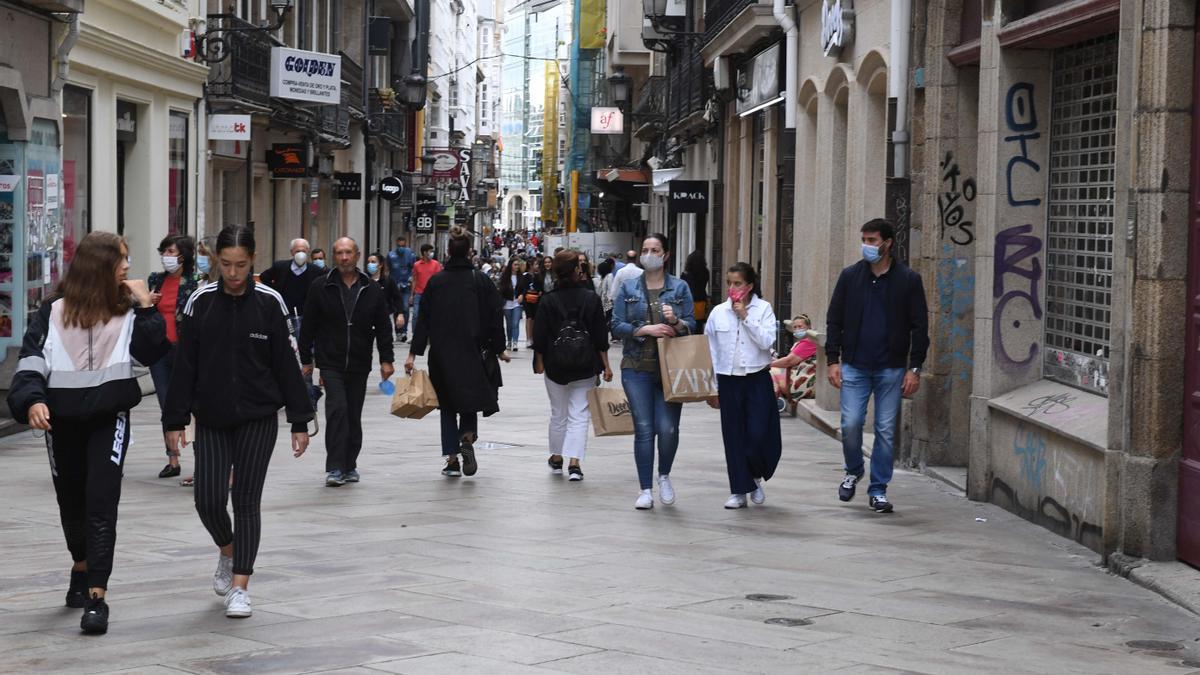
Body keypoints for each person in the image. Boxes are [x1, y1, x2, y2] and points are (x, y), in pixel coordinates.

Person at [7, 231, 169, 634]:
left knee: (101, 501)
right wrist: (32, 401)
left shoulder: (128, 310)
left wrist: (147, 305)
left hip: (108, 418)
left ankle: (97, 595)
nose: (128, 267)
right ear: (101, 266)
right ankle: (80, 566)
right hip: (61, 423)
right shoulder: (52, 312)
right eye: (122, 260)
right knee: (71, 503)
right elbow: (29, 364)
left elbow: (153, 351)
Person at [164, 225, 312, 620]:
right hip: (210, 416)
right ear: (217, 261)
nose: (233, 273)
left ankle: (241, 586)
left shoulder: (270, 302)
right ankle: (227, 550)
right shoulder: (200, 302)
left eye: (240, 265)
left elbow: (287, 364)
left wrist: (300, 420)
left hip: (258, 416)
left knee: (246, 500)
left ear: (253, 260)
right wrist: (174, 418)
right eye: (226, 265)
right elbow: (185, 367)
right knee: (208, 499)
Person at [826, 218, 929, 514]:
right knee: (851, 423)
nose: (867, 246)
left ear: (887, 243)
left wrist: (915, 368)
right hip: (855, 365)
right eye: (865, 240)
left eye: (872, 240)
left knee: (884, 429)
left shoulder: (908, 280)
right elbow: (834, 319)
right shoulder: (850, 277)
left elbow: (920, 326)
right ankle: (854, 469)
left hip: (891, 368)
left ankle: (878, 489)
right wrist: (833, 360)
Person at [406, 226, 510, 478]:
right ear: (470, 253)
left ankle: (452, 459)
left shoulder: (437, 282)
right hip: (473, 352)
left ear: (449, 251)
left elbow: (424, 320)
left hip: (442, 353)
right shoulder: (481, 281)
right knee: (469, 402)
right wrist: (499, 348)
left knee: (447, 405)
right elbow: (495, 316)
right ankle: (467, 437)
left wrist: (413, 353)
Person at [299, 237, 396, 487]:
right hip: (330, 361)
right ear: (334, 256)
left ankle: (350, 463)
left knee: (353, 414)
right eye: (339, 253)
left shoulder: (370, 288)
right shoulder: (321, 286)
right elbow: (308, 324)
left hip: (359, 361)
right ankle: (334, 466)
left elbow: (384, 326)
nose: (344, 258)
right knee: (337, 410)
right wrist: (306, 359)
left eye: (348, 253)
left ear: (357, 255)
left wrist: (387, 359)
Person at [612, 233, 695, 510]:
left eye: (655, 249)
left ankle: (664, 475)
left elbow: (692, 325)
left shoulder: (680, 288)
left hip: (672, 368)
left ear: (665, 255)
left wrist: (676, 321)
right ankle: (645, 488)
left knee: (668, 428)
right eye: (646, 249)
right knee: (644, 429)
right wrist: (642, 329)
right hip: (636, 367)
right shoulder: (629, 287)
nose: (649, 254)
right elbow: (615, 325)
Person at [705, 263, 781, 509]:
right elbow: (710, 349)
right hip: (728, 379)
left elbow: (767, 341)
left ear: (749, 286)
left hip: (757, 377)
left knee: (759, 433)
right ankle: (739, 489)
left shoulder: (764, 309)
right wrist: (712, 386)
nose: (732, 288)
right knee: (733, 435)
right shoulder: (718, 312)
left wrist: (746, 317)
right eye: (729, 283)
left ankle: (755, 475)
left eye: (737, 283)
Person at [533, 250, 612, 481]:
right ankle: (574, 464)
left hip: (555, 365)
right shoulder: (591, 298)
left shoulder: (547, 300)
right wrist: (606, 365)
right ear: (577, 270)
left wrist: (539, 362)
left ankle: (556, 457)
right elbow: (600, 336)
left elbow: (539, 336)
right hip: (586, 364)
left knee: (558, 414)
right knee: (579, 414)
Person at [148, 234, 201, 480]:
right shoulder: (156, 281)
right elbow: (142, 314)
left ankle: (203, 459)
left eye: (172, 251)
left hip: (186, 350)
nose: (167, 256)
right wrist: (147, 303)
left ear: (184, 255)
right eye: (165, 251)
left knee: (193, 404)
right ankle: (173, 459)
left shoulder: (195, 282)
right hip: (159, 350)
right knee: (166, 404)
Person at [258, 238, 322, 326]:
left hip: (306, 316)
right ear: (292, 252)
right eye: (297, 251)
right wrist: (274, 290)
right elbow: (264, 277)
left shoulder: (316, 271)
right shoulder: (280, 267)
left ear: (307, 252)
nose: (300, 254)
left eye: (303, 251)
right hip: (283, 314)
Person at [771, 314, 819, 414]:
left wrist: (767, 364)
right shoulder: (804, 342)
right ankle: (777, 400)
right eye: (795, 327)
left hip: (802, 384)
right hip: (800, 380)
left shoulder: (808, 343)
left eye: (800, 327)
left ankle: (774, 402)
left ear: (809, 327)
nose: (797, 329)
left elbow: (788, 361)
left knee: (770, 371)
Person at [368, 251, 406, 340]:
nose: (370, 264)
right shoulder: (364, 281)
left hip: (384, 317)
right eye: (368, 262)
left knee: (385, 344)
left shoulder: (388, 281)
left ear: (380, 265)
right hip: (367, 319)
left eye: (373, 262)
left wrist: (400, 314)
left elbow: (397, 298)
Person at [387, 236, 416, 342]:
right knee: (396, 309)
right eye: (399, 246)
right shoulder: (391, 255)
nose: (401, 248)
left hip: (406, 286)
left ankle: (404, 331)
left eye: (403, 246)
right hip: (394, 286)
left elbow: (414, 270)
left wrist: (412, 285)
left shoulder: (411, 255)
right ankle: (398, 332)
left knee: (405, 308)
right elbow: (388, 269)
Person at [410, 243, 442, 337]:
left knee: (431, 315)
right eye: (430, 251)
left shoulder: (436, 264)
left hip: (432, 294)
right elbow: (414, 280)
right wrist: (412, 295)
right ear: (424, 252)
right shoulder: (416, 265)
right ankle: (415, 335)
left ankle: (430, 335)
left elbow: (439, 279)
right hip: (419, 293)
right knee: (416, 314)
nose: (432, 253)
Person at [517, 256, 546, 350]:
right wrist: (521, 295)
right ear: (531, 265)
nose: (537, 266)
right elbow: (521, 287)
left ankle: (533, 338)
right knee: (529, 318)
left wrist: (540, 292)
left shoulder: (538, 276)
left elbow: (540, 287)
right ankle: (528, 338)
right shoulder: (525, 276)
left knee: (535, 318)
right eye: (536, 264)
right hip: (527, 299)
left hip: (536, 299)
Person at [498, 257, 524, 352]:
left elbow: (524, 288)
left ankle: (515, 342)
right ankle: (509, 341)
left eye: (518, 265)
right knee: (509, 324)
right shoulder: (505, 277)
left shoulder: (521, 277)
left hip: (517, 303)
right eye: (515, 265)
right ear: (511, 266)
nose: (517, 267)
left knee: (515, 323)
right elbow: (501, 289)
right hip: (507, 303)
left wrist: (522, 295)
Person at [681, 251, 711, 332]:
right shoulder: (705, 272)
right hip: (701, 301)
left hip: (689, 302)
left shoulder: (686, 275)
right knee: (699, 326)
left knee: (688, 326)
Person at [596, 258, 616, 330]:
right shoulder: (610, 276)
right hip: (609, 302)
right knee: (610, 319)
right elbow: (611, 289)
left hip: (604, 301)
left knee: (606, 319)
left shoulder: (602, 277)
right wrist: (613, 300)